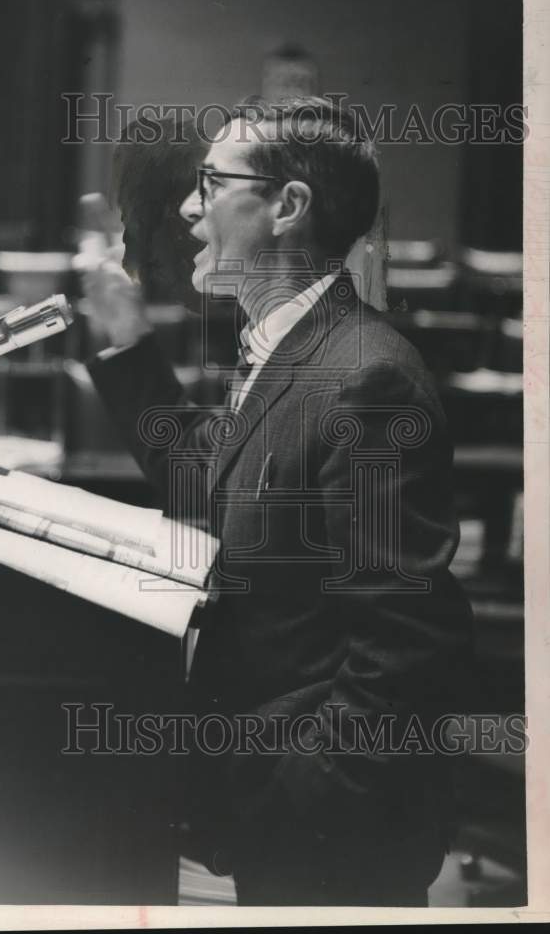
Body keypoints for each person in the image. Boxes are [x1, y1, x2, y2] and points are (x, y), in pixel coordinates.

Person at [84, 96, 474, 906]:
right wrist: (127, 345)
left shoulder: (367, 376)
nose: (190, 206)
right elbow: (210, 476)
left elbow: (403, 653)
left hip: (327, 842)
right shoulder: (291, 347)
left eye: (211, 183)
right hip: (277, 822)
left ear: (288, 207)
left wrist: (293, 802)